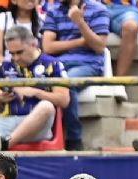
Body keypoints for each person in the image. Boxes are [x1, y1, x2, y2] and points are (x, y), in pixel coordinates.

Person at [0, 25, 69, 151]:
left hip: (37, 125)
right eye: (12, 53)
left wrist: (35, 92)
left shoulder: (52, 64)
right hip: (8, 120)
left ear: (33, 44)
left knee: (46, 106)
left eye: (19, 52)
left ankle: (4, 146)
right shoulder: (5, 67)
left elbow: (64, 100)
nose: (16, 58)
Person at [41, 0, 108, 151]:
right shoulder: (53, 11)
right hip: (57, 66)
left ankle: (74, 138)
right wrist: (81, 41)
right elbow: (48, 47)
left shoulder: (98, 9)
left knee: (66, 84)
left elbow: (98, 46)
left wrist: (80, 22)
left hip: (87, 65)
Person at [0, 0, 41, 64]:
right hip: (9, 67)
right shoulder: (3, 18)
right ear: (13, 1)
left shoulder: (43, 20)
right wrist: (9, 68)